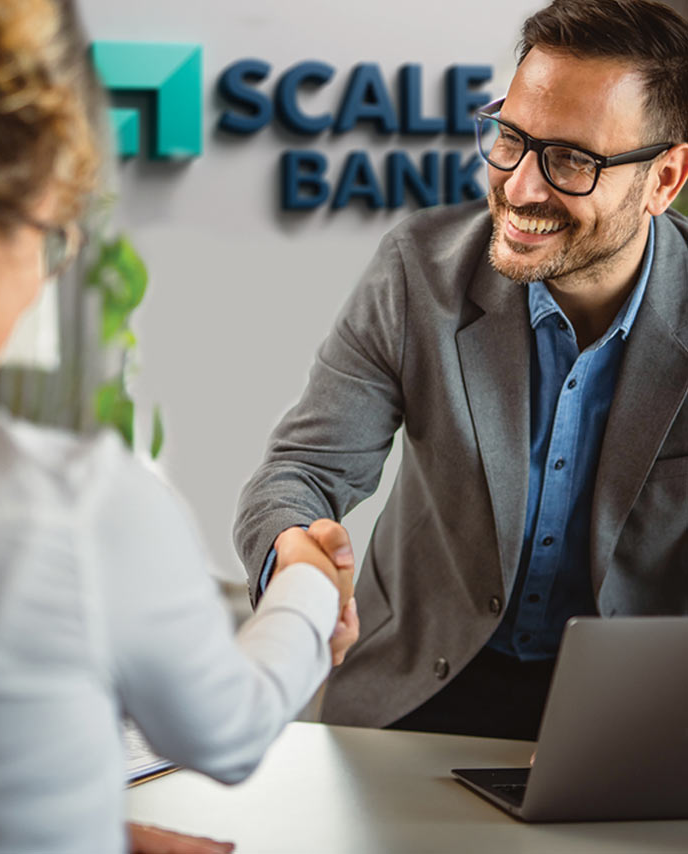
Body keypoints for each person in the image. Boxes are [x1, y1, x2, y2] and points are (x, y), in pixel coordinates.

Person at [0, 1, 355, 852]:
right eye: (43, 238)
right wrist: (305, 583)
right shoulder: (70, 506)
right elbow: (229, 730)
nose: (45, 272)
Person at [235, 0, 688, 741]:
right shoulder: (419, 271)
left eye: (572, 159)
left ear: (666, 180)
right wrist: (293, 549)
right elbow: (301, 470)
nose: (520, 188)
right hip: (414, 693)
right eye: (511, 138)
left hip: (634, 722)